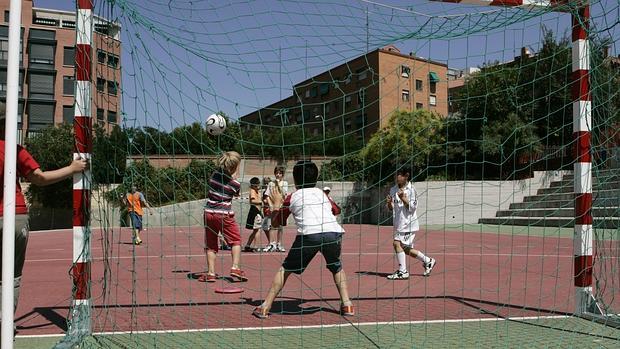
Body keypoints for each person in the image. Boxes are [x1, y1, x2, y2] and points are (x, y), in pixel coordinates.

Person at [0, 101, 88, 324]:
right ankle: (5, 323)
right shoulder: (13, 149)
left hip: (13, 215)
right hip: (13, 216)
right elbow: (39, 178)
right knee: (11, 276)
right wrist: (72, 169)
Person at [252, 160, 353, 319]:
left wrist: (277, 208)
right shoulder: (322, 194)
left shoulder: (292, 197)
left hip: (309, 235)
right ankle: (347, 304)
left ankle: (265, 306)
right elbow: (336, 211)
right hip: (333, 232)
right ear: (316, 178)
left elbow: (278, 223)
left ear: (295, 179)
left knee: (285, 269)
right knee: (336, 267)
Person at [200, 151, 247, 282]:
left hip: (208, 213)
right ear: (235, 167)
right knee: (235, 241)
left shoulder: (214, 176)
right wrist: (234, 176)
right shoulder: (235, 184)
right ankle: (235, 267)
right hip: (224, 214)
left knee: (210, 243)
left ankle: (211, 273)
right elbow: (236, 194)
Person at [385, 165, 436, 280]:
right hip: (399, 224)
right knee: (405, 249)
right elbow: (391, 208)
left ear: (406, 176)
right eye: (395, 174)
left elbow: (413, 208)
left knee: (396, 244)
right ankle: (428, 261)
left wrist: (403, 198)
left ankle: (403, 271)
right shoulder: (393, 189)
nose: (396, 177)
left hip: (409, 224)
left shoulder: (412, 190)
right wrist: (389, 203)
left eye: (399, 174)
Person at [263, 166, 288, 252]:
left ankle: (279, 244)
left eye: (280, 173)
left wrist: (278, 185)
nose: (278, 175)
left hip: (280, 207)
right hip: (273, 207)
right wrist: (270, 204)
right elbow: (267, 195)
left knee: (280, 226)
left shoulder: (285, 183)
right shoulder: (270, 184)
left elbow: (284, 194)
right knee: (271, 225)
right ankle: (271, 243)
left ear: (282, 175)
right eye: (277, 173)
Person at [243, 177, 263, 252]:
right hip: (255, 211)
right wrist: (261, 202)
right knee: (257, 230)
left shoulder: (257, 191)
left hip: (257, 211)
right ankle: (255, 246)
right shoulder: (252, 191)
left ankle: (248, 245)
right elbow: (253, 201)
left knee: (255, 230)